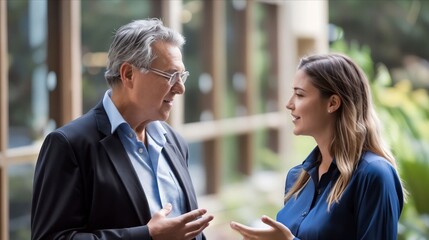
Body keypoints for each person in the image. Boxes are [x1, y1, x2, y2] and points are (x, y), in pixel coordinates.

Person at [31, 18, 213, 240]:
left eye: (182, 76)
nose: (180, 88)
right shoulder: (69, 145)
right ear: (128, 75)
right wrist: (147, 236)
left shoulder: (174, 142)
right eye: (170, 76)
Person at [230, 53, 404, 239]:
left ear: (333, 103)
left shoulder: (374, 175)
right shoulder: (296, 178)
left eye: (299, 94)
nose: (289, 104)